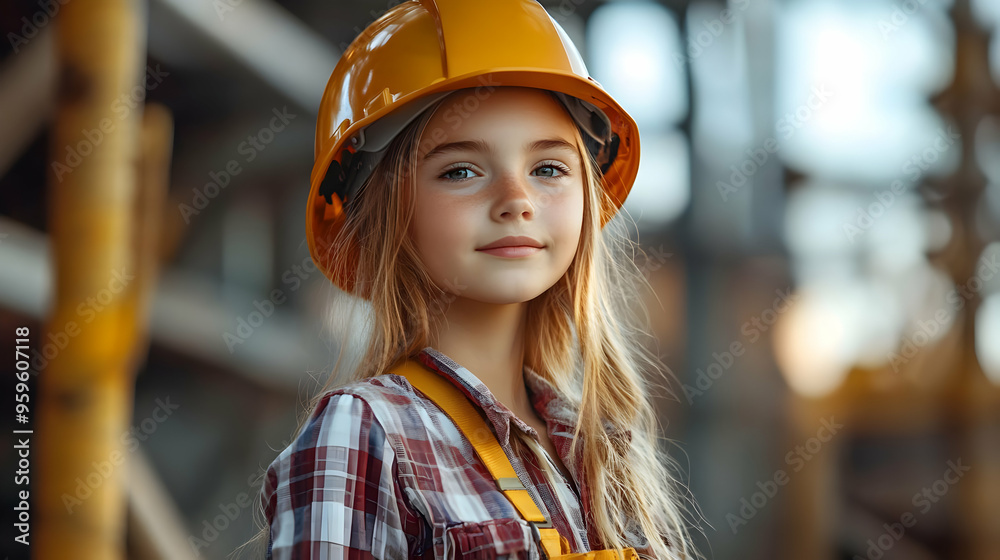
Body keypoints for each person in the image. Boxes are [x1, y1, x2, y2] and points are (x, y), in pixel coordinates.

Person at [246, 1, 703, 558]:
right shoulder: (365, 435)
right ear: (385, 213)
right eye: (461, 171)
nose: (516, 200)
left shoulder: (605, 454)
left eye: (548, 168)